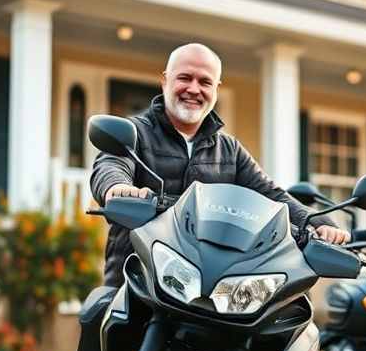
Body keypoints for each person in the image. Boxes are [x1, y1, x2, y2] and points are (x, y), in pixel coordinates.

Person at [91, 43, 350, 287]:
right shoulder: (135, 132)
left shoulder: (230, 150)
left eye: (205, 82)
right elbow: (111, 165)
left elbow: (271, 195)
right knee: (99, 311)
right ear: (165, 80)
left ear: (216, 89)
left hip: (209, 281)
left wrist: (318, 223)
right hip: (137, 276)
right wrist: (118, 187)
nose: (194, 89)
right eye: (185, 78)